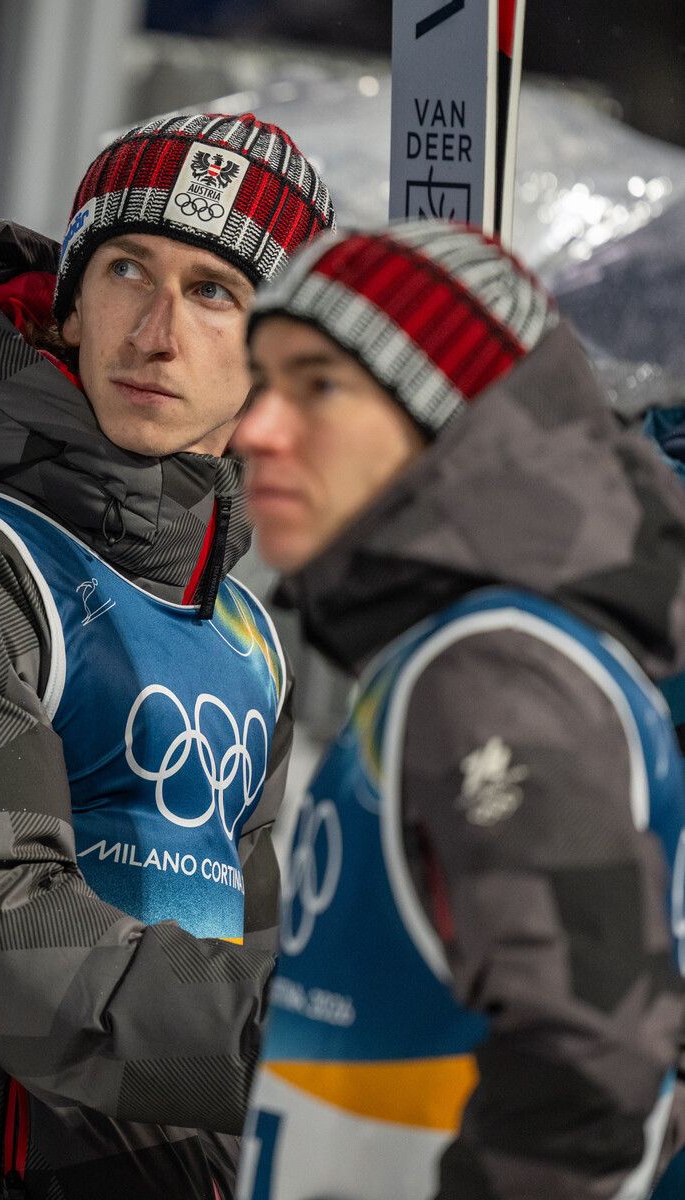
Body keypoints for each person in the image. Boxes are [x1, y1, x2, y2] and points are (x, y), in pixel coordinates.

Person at [0, 112, 333, 1200]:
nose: (159, 331)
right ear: (74, 304)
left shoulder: (242, 632)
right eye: (131, 270)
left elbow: (251, 951)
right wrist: (327, 1039)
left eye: (216, 292)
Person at [231, 222, 685, 1200]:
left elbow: (591, 1063)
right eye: (261, 383)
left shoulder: (492, 668)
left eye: (318, 384)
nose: (255, 429)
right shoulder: (461, 651)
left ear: (444, 417)